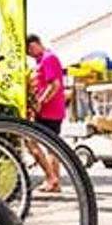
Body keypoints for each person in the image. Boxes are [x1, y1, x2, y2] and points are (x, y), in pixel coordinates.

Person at [26, 33, 66, 192]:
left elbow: (54, 85)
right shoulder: (41, 60)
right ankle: (54, 181)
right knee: (51, 146)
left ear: (35, 44)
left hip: (49, 110)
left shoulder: (48, 59)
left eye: (29, 49)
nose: (29, 53)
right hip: (51, 110)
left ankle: (51, 178)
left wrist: (40, 102)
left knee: (31, 141)